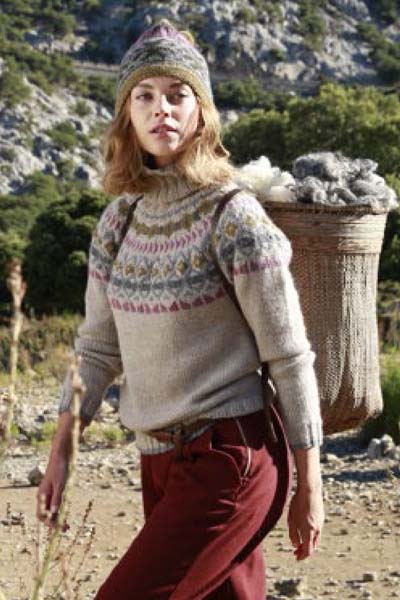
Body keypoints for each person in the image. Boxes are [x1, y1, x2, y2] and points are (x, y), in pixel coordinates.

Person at [37, 19, 324, 599]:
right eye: (144, 96)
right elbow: (96, 349)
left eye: (177, 94)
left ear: (201, 112)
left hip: (230, 456)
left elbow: (288, 356)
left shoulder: (233, 216)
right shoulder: (118, 222)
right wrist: (61, 451)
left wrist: (310, 482)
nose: (160, 109)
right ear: (127, 115)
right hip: (158, 460)